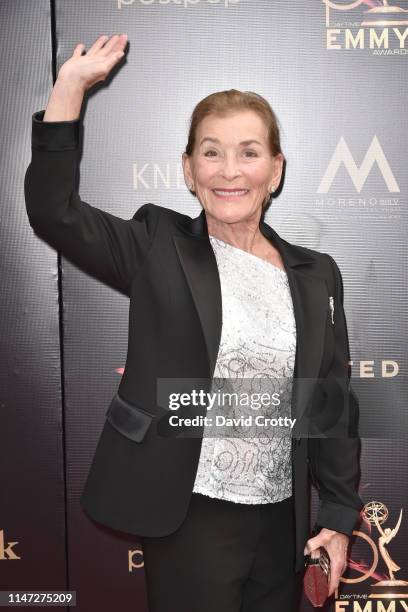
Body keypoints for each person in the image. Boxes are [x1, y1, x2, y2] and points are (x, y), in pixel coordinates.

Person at [24, 34, 364, 612]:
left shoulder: (316, 274)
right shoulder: (158, 244)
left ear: (276, 170)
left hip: (282, 523)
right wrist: (69, 92)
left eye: (249, 152)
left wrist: (336, 516)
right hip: (189, 513)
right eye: (211, 152)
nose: (229, 171)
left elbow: (329, 399)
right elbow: (54, 212)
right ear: (187, 169)